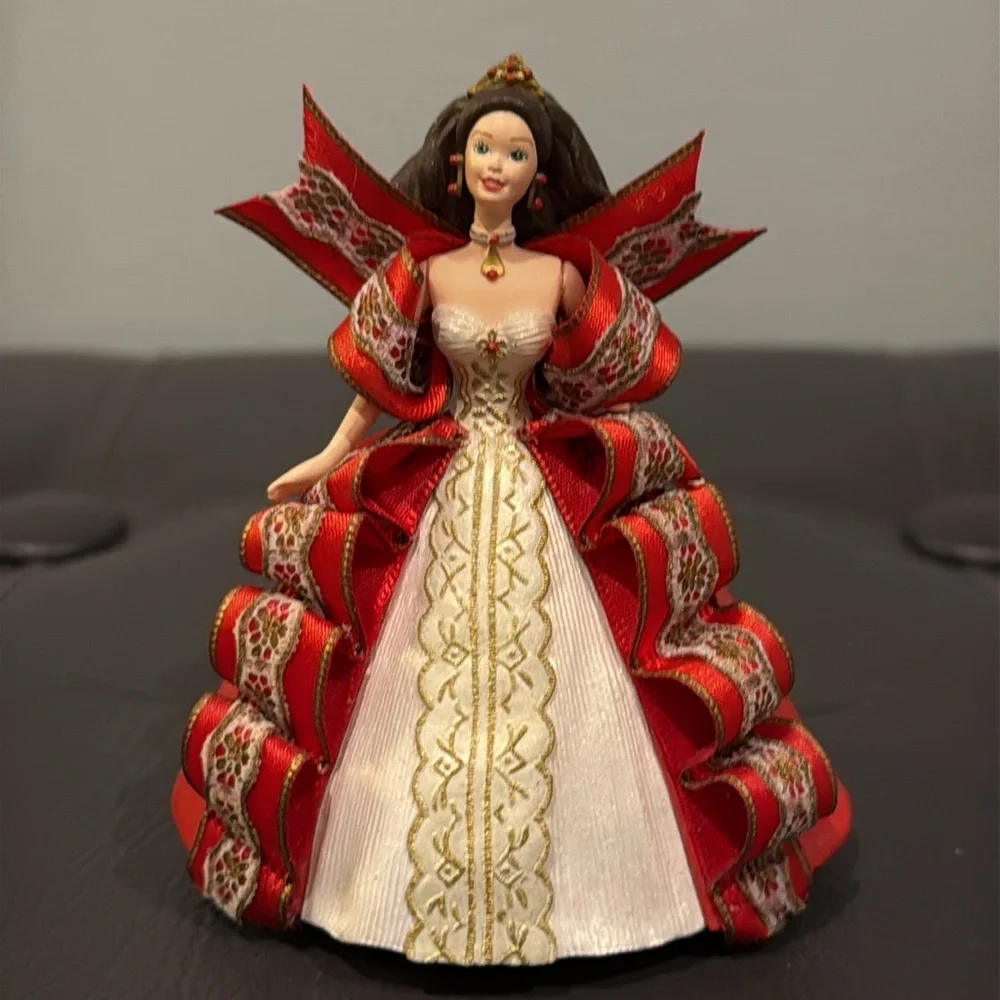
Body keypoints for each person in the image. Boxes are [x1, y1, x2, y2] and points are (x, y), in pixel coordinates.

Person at [172, 54, 851, 966]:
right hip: (443, 477)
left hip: (539, 482)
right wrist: (329, 457)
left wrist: (623, 465)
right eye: (485, 148)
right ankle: (365, 885)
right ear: (457, 163)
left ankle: (617, 888)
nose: (498, 164)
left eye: (518, 153)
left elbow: (604, 382)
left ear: (539, 176)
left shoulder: (561, 277)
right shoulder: (427, 271)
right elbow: (381, 383)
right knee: (398, 670)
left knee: (582, 677)